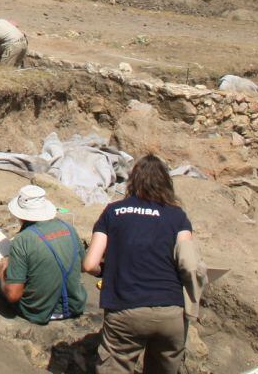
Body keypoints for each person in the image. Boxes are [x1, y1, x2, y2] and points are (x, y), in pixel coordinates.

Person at [82, 155, 195, 374]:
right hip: (170, 311)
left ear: (133, 181)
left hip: (125, 309)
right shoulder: (177, 216)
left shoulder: (113, 211)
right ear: (165, 183)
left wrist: (103, 271)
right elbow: (188, 263)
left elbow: (89, 264)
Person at [0, 185, 87, 324]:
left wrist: (1, 273)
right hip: (75, 306)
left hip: (39, 312)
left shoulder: (22, 240)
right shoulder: (69, 228)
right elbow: (83, 266)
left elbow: (14, 295)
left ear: (20, 214)